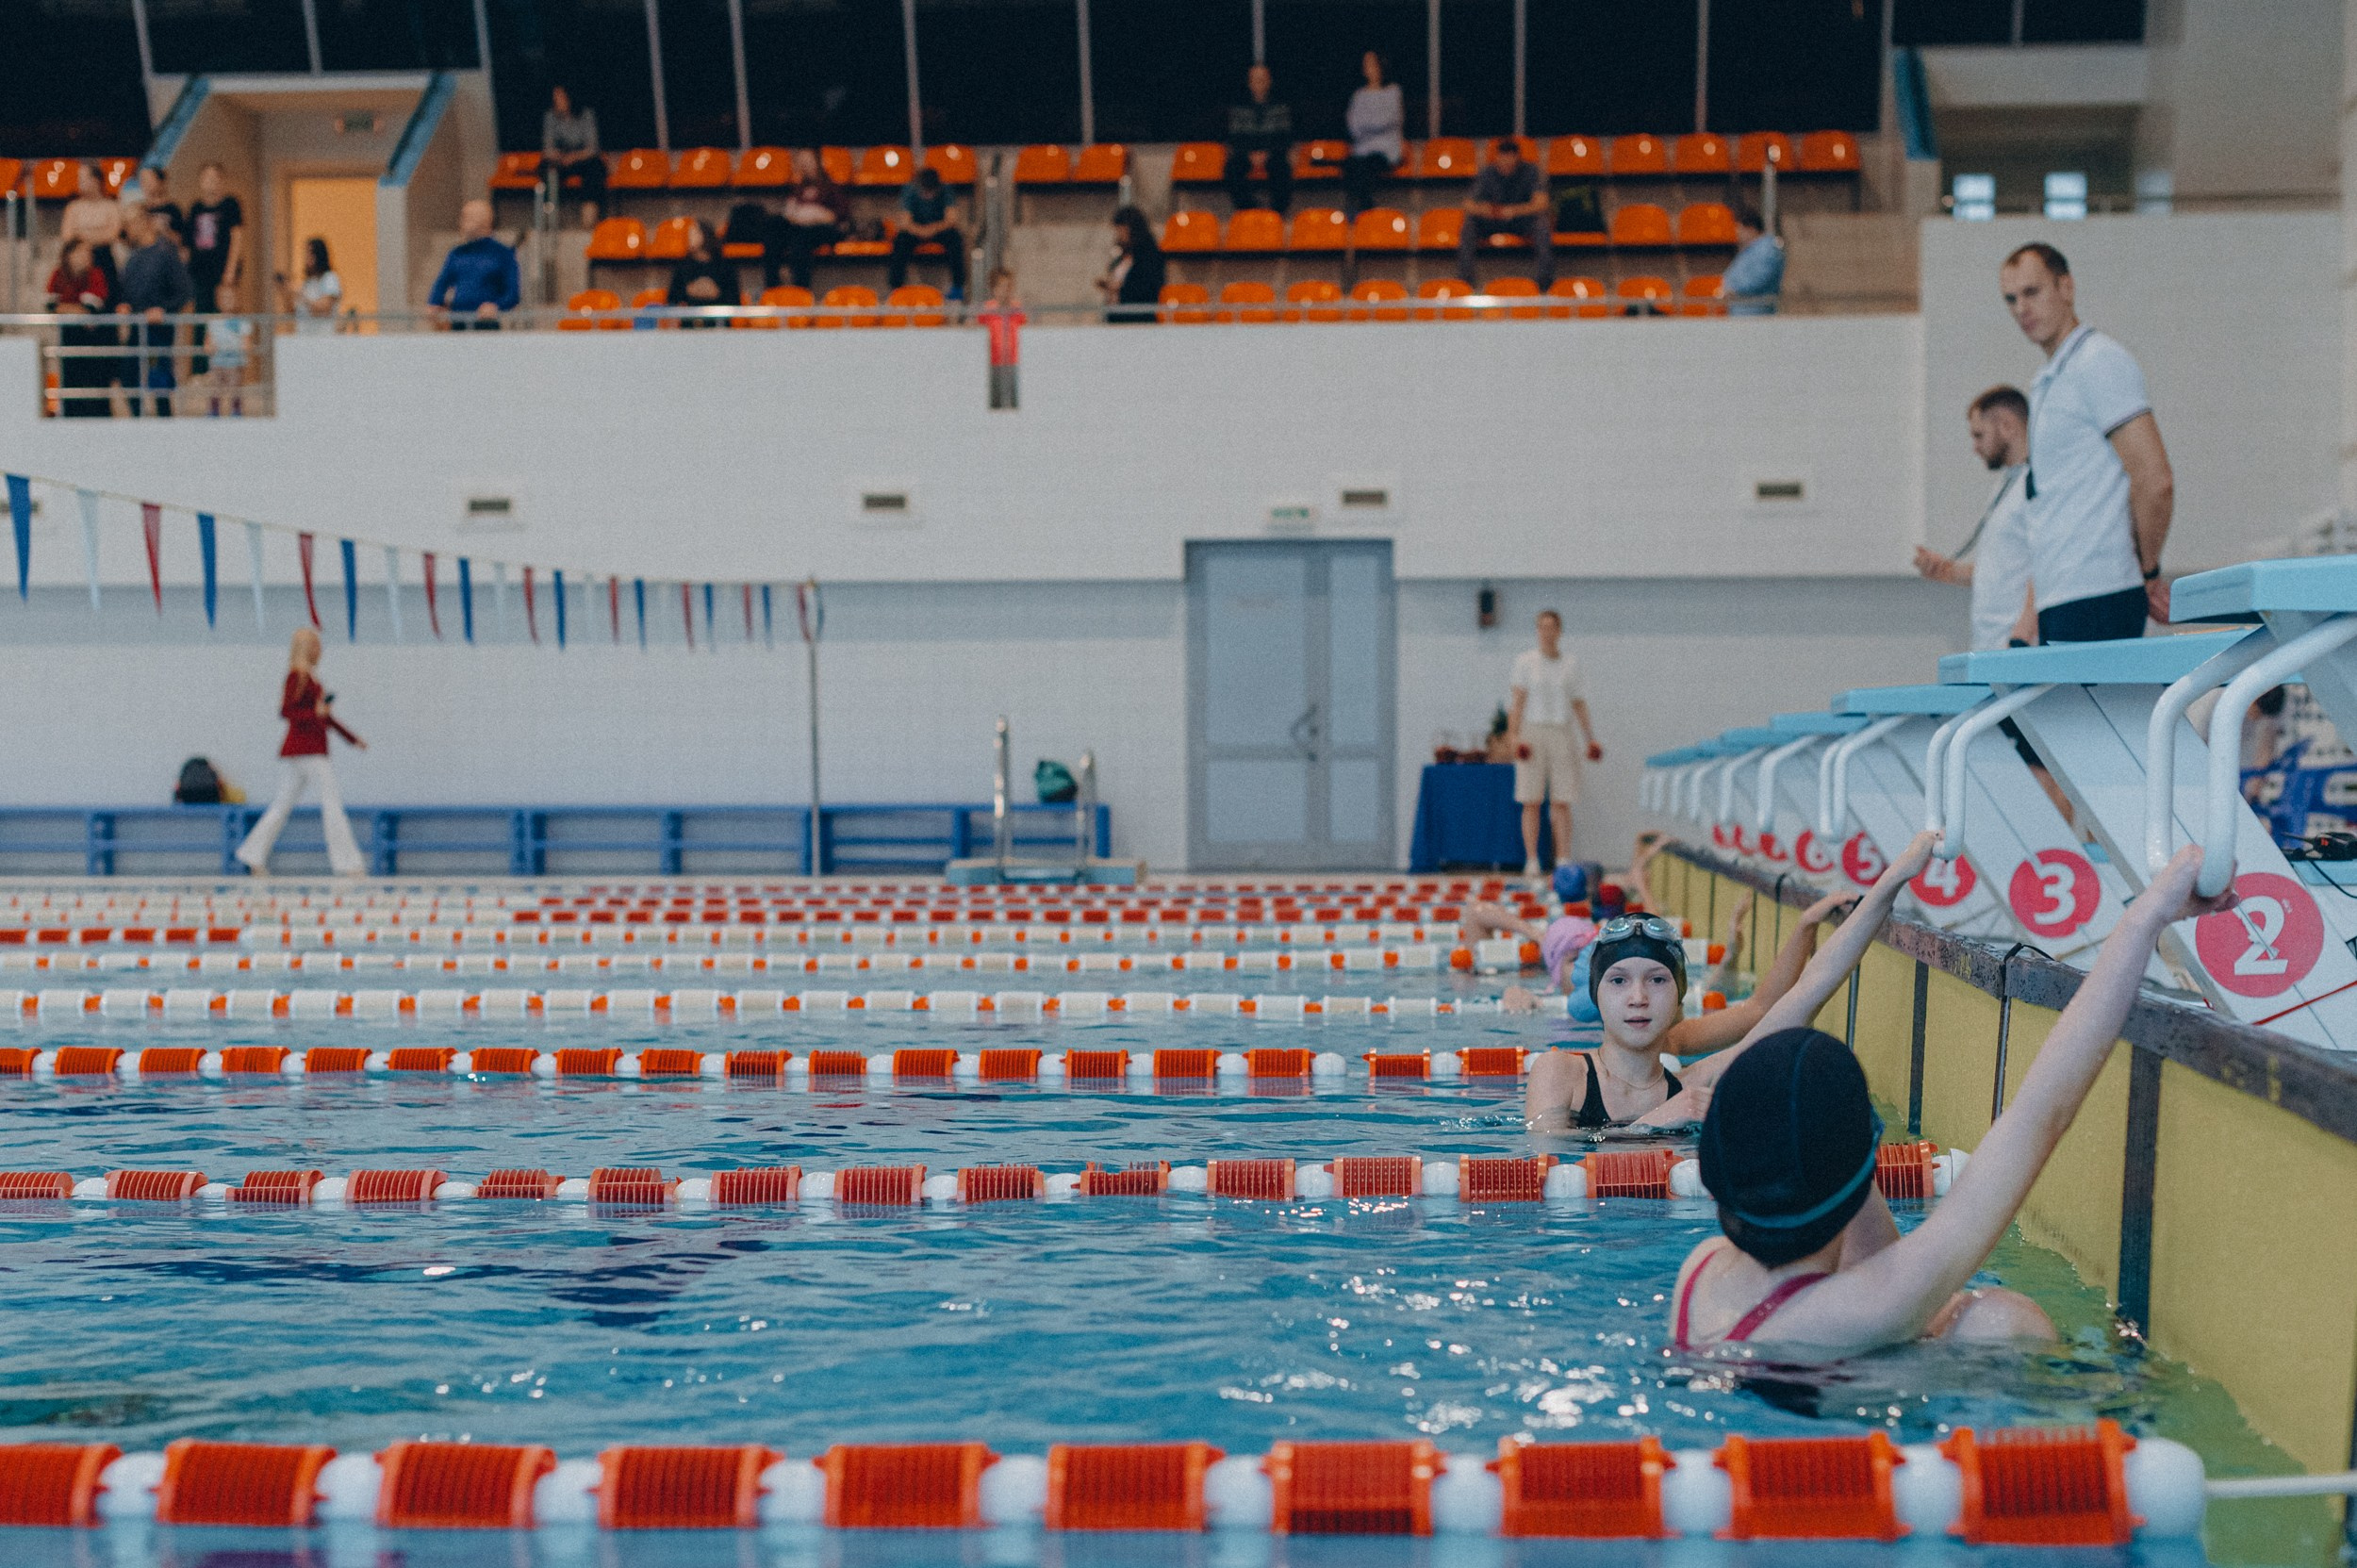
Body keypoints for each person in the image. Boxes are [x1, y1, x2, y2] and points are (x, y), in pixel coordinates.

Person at [1673, 838, 2224, 1356]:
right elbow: (2039, 1116)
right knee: (2003, 1321)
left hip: (1782, 1390)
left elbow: (1849, 1223)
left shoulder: (1697, 1271)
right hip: (1853, 1417)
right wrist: (2146, 916)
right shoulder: (1868, 1309)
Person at [1508, 889, 1858, 1131]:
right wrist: (1653, 1123)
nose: (1638, 997)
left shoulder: (1673, 1046)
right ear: (1596, 993)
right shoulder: (1559, 1069)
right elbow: (1551, 1169)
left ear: (1678, 994)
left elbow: (1770, 1009)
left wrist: (1806, 925)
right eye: (1618, 981)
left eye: (1657, 981)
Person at [2000, 241, 2174, 641]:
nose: (2020, 309)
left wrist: (2146, 570)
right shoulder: (2050, 380)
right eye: (2010, 299)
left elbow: (2155, 479)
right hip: (2063, 594)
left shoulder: (2099, 362)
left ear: (2066, 288)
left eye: (2032, 292)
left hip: (2100, 592)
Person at [236, 627, 370, 878]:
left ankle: (252, 854)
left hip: (306, 749)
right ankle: (348, 863)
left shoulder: (311, 679)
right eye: (316, 646)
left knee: (282, 804)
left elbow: (325, 718)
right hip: (307, 750)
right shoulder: (297, 677)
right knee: (332, 804)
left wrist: (352, 739)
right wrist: (314, 714)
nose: (320, 651)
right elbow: (287, 712)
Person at [1913, 386, 2032, 653]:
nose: (1975, 448)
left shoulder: (2038, 486)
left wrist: (2022, 634)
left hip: (2017, 643)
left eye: (1979, 435)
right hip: (1992, 642)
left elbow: (2044, 571)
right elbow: (2002, 571)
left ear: (2007, 426)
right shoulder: (2005, 485)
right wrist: (1945, 570)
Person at [1508, 609, 1602, 877]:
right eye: (1541, 627)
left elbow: (1579, 703)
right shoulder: (1525, 662)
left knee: (1562, 799)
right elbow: (1517, 702)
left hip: (1561, 731)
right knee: (1531, 798)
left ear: (1559, 631)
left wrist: (1590, 738)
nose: (1546, 632)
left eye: (1551, 627)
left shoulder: (1570, 664)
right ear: (1537, 631)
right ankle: (1532, 860)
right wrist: (1514, 737)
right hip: (1532, 732)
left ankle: (1562, 859)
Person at [116, 205, 192, 417]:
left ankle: (164, 421)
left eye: (131, 223)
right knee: (128, 375)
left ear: (144, 222)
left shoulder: (165, 252)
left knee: (158, 376)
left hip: (157, 333)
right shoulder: (134, 258)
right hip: (136, 329)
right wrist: (125, 305)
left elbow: (184, 292)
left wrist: (163, 310)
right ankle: (139, 418)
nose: (128, 229)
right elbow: (127, 290)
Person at [1459, 138, 1551, 289]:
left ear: (1517, 158)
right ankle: (1465, 281)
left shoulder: (1530, 171)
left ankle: (1544, 282)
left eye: (1510, 158)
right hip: (1493, 221)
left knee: (1541, 224)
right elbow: (1468, 204)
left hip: (1520, 220)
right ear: (1497, 157)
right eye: (1503, 158)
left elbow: (1542, 203)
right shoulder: (1487, 173)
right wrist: (1485, 209)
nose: (1506, 163)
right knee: (1469, 225)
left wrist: (1514, 211)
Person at [186, 162, 245, 372]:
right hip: (200, 273)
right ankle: (201, 369)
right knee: (201, 319)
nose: (211, 183)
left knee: (224, 318)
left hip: (222, 273)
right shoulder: (196, 208)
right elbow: (187, 243)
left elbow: (237, 237)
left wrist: (230, 270)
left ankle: (227, 366)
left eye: (215, 178)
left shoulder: (230, 205)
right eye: (206, 178)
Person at [45, 239, 113, 419]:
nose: (88, 256)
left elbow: (92, 307)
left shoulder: (95, 274)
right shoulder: (59, 275)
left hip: (92, 340)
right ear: (70, 254)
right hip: (68, 339)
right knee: (70, 382)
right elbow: (51, 304)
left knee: (92, 383)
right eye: (83, 252)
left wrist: (67, 308)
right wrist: (75, 310)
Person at [428, 200, 519, 329]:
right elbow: (441, 283)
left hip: (486, 325)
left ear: (484, 220)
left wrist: (496, 306)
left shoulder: (503, 254)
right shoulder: (457, 253)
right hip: (458, 323)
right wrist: (434, 303)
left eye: (467, 218)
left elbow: (512, 294)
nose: (461, 222)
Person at [769, 149, 850, 290]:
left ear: (818, 162)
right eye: (802, 162)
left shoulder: (831, 186)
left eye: (809, 161)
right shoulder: (799, 188)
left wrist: (818, 214)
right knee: (774, 226)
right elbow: (790, 210)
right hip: (799, 226)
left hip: (823, 229)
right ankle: (771, 285)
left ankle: (801, 290)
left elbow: (841, 214)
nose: (806, 166)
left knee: (800, 239)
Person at [1341, 50, 1403, 218]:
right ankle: (1363, 206)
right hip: (1361, 152)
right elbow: (1353, 126)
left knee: (1365, 164)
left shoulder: (1393, 92)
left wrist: (1367, 124)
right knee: (1352, 164)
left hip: (1386, 152)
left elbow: (1389, 120)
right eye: (1366, 64)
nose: (1369, 68)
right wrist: (1373, 125)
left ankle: (1362, 209)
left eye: (1372, 64)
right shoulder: (1358, 95)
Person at [1225, 64, 1294, 214]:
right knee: (1232, 169)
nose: (1259, 83)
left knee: (1282, 169)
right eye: (1255, 80)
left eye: (1263, 79)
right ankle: (1249, 210)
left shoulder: (1280, 106)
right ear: (1249, 82)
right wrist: (1250, 155)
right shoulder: (1239, 106)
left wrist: (1266, 154)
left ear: (1269, 81)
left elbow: (1284, 138)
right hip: (1245, 155)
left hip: (1273, 154)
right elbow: (1234, 137)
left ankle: (1276, 213)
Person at [889, 166, 967, 298]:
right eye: (925, 192)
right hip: (916, 230)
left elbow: (951, 219)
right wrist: (920, 230)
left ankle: (957, 287)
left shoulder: (946, 189)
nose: (928, 196)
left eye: (932, 193)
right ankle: (896, 289)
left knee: (955, 239)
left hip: (939, 229)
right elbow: (904, 222)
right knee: (900, 241)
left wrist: (934, 229)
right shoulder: (910, 190)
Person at [542, 85, 606, 225]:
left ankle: (589, 219)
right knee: (547, 169)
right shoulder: (550, 116)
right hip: (560, 161)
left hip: (583, 160)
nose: (557, 101)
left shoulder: (586, 115)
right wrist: (560, 156)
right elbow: (548, 149)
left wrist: (574, 157)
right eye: (555, 98)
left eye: (560, 97)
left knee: (595, 168)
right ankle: (551, 219)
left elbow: (592, 148)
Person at [1096, 206, 1165, 324]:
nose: (1118, 235)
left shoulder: (1150, 255)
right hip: (1117, 317)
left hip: (1138, 318)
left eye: (1120, 230)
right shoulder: (1121, 256)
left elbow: (1149, 287)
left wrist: (1120, 288)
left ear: (1131, 229)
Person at [665, 220, 739, 325]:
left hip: (719, 326)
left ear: (705, 234)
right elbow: (673, 299)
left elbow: (734, 301)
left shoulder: (724, 265)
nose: (689, 238)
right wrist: (691, 292)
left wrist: (715, 293)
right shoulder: (682, 266)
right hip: (689, 326)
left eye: (694, 233)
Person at [1722, 205, 1785, 316]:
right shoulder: (1749, 250)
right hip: (1740, 313)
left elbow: (1761, 278)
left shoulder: (1767, 249)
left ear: (1750, 228)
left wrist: (1734, 289)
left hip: (1756, 313)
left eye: (1739, 229)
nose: (1737, 234)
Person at [979, 267, 1024, 410]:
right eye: (1002, 287)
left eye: (1009, 286)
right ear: (994, 288)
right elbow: (976, 329)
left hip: (1014, 362)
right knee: (995, 404)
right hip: (994, 363)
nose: (1006, 291)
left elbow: (1026, 329)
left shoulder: (1017, 309)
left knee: (1014, 404)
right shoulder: (986, 310)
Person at [279, 237, 342, 336]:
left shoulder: (329, 279)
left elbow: (325, 308)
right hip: (304, 336)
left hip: (323, 337)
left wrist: (301, 295)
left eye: (310, 254)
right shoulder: (308, 283)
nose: (306, 258)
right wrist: (286, 293)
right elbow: (294, 313)